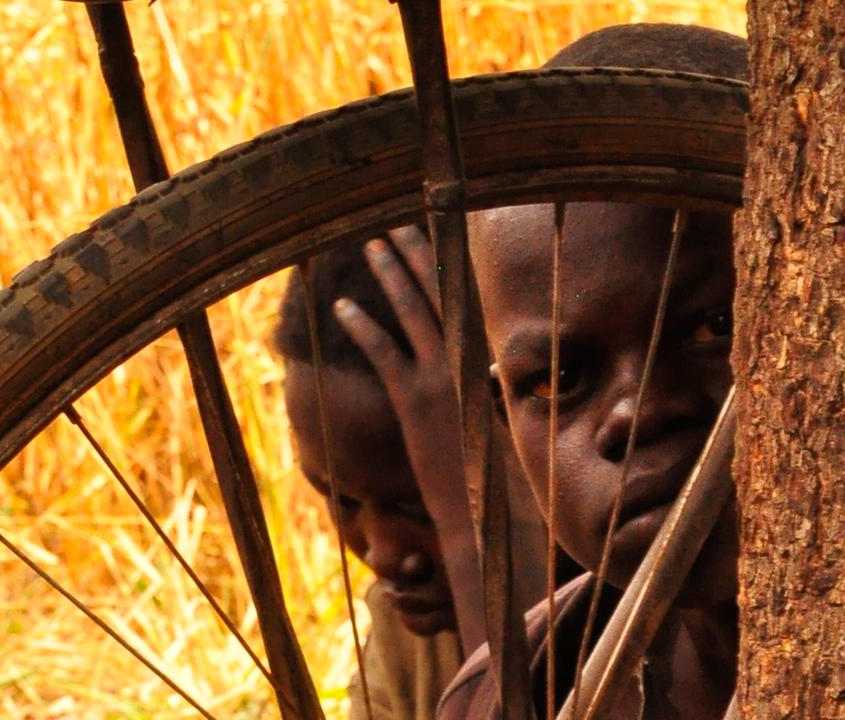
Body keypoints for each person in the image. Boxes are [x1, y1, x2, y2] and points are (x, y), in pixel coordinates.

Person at [435, 23, 747, 720]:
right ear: (501, 415)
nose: (640, 413)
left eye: (714, 328)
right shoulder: (504, 697)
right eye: (557, 381)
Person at [275, 226, 552, 720]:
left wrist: (471, 538)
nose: (381, 556)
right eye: (341, 502)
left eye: (421, 507)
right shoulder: (407, 646)